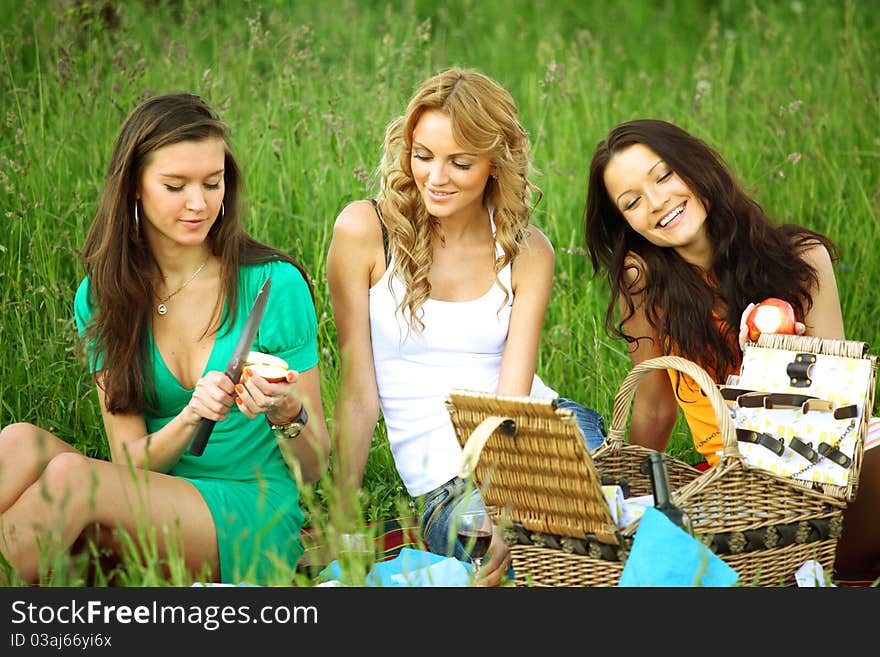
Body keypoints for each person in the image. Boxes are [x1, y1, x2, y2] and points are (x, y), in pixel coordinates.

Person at [0, 93, 330, 585]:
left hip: (247, 511)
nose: (199, 203)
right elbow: (129, 460)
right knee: (18, 442)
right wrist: (191, 416)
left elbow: (315, 466)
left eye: (212, 184)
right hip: (150, 491)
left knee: (72, 480)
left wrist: (288, 413)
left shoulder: (273, 284)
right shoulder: (104, 294)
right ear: (135, 185)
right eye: (175, 186)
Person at [327, 67, 606, 586]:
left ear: (495, 165)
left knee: (612, 526)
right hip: (446, 482)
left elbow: (514, 400)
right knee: (550, 552)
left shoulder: (527, 250)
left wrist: (511, 498)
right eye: (422, 155)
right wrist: (343, 518)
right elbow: (359, 393)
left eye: (459, 162)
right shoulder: (365, 231)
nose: (435, 177)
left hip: (539, 433)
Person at [583, 117, 880, 582]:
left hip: (817, 458)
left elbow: (839, 416)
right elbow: (655, 412)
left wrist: (776, 365)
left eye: (663, 176)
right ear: (627, 224)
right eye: (632, 202)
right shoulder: (645, 286)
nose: (657, 202)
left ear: (696, 167)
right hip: (732, 476)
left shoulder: (802, 260)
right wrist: (620, 498)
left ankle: (843, 580)